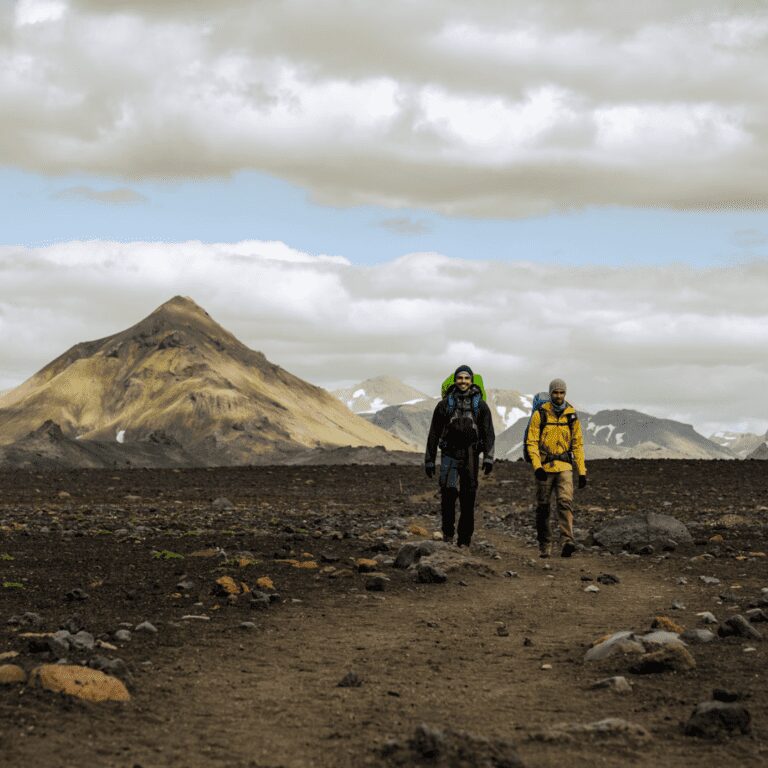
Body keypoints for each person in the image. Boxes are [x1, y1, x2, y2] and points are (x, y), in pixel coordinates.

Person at [424, 365, 495, 547]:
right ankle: (448, 534)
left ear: (472, 381)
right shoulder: (444, 405)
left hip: (471, 455)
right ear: (455, 380)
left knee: (468, 498)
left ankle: (464, 540)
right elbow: (434, 433)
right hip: (449, 454)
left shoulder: (480, 405)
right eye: (460, 378)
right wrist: (429, 460)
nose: (463, 381)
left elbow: (488, 433)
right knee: (448, 496)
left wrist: (488, 457)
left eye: (466, 378)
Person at [525, 378, 587, 558]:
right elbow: (532, 442)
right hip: (544, 467)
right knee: (543, 507)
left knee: (565, 502)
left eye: (561, 392)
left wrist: (581, 471)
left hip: (565, 466)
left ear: (565, 394)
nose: (558, 396)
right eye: (555, 392)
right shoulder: (540, 414)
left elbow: (577, 444)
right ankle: (545, 544)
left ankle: (567, 540)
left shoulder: (571, 415)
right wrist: (537, 466)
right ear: (550, 393)